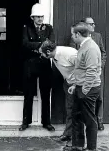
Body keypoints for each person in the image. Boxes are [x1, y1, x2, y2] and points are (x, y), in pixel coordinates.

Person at [65, 22, 101, 151]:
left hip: (88, 89)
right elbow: (82, 69)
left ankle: (91, 148)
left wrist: (84, 90)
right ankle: (78, 146)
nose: (72, 37)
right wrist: (76, 85)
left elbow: (92, 71)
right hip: (82, 87)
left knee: (90, 120)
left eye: (73, 34)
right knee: (77, 117)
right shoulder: (83, 46)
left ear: (78, 34)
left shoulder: (90, 48)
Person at [19, 3, 55, 131]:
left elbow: (51, 44)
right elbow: (24, 44)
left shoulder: (48, 28)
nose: (40, 19)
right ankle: (26, 121)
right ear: (32, 18)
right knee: (28, 93)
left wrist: (35, 46)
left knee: (46, 94)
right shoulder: (26, 27)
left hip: (44, 64)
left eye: (41, 16)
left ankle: (47, 122)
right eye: (37, 16)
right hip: (30, 64)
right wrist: (40, 46)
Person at [39, 40, 77, 143]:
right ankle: (68, 134)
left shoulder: (69, 54)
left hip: (77, 85)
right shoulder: (54, 55)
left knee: (77, 111)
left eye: (42, 53)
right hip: (68, 83)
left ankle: (77, 139)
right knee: (70, 109)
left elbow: (83, 68)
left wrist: (75, 84)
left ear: (48, 52)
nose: (41, 56)